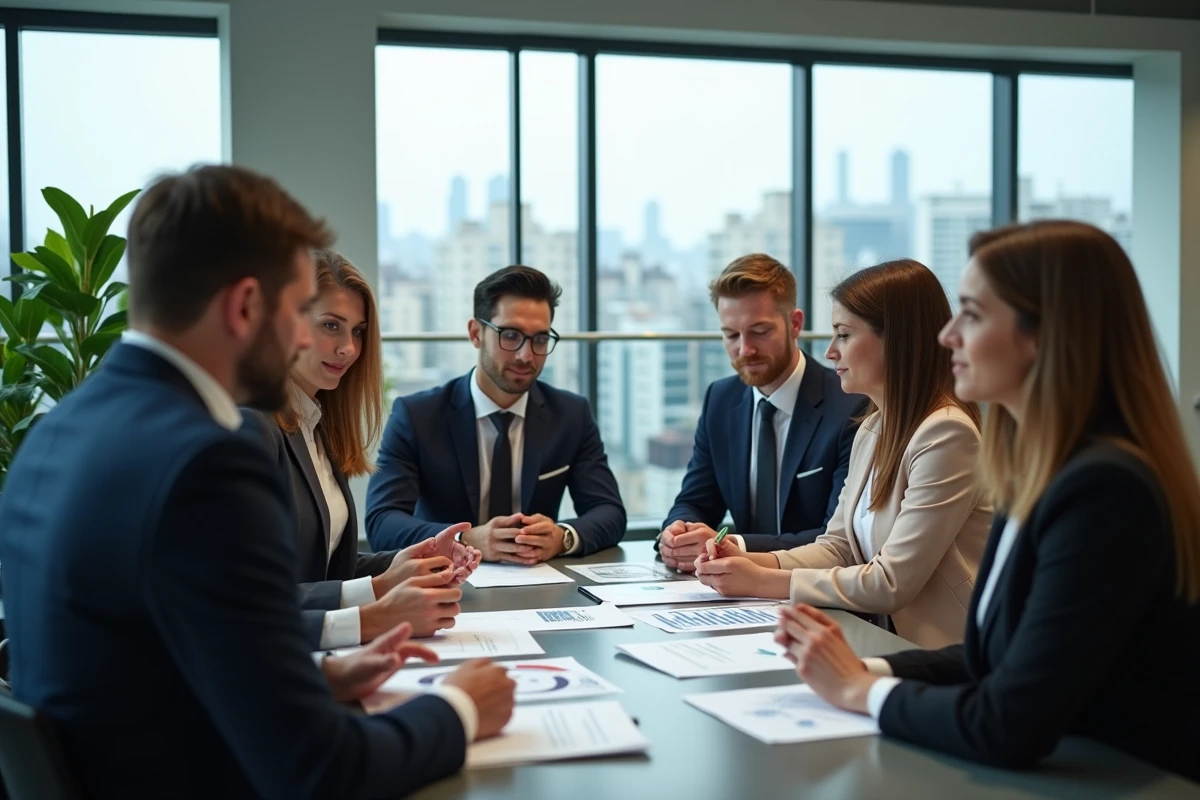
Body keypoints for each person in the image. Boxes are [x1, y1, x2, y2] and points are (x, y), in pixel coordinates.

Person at [0, 165, 515, 798]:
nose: (313, 340)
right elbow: (320, 772)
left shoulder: (58, 430)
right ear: (245, 306)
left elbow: (142, 662)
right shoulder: (206, 463)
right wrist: (461, 709)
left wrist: (317, 682)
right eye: (301, 312)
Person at [775, 221, 1200, 781]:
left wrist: (862, 689)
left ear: (1045, 335)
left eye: (971, 315)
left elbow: (1009, 722)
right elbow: (989, 657)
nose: (947, 335)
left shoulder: (1106, 490)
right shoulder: (1036, 465)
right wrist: (863, 666)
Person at [695, 260, 990, 648]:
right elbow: (839, 548)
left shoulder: (947, 434)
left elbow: (890, 582)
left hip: (939, 653)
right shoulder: (872, 427)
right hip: (873, 638)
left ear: (896, 340)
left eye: (844, 335)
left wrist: (762, 580)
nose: (831, 352)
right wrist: (750, 561)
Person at [241, 249, 482, 651]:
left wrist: (405, 562)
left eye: (357, 331)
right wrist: (373, 608)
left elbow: (322, 563)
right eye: (331, 326)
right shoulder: (252, 424)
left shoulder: (314, 423)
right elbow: (244, 599)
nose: (349, 348)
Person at [366, 265, 626, 562]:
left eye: (540, 339)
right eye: (511, 335)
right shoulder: (417, 416)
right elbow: (381, 522)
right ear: (476, 333)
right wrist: (465, 539)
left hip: (540, 584)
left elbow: (610, 512)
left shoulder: (570, 415)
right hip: (446, 583)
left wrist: (562, 537)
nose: (526, 355)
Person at [658, 253, 866, 572]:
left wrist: (736, 546)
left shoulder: (849, 405)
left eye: (759, 331)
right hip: (737, 595)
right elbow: (696, 501)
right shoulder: (721, 399)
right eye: (731, 335)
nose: (745, 350)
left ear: (795, 324)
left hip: (819, 590)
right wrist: (678, 534)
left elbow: (836, 537)